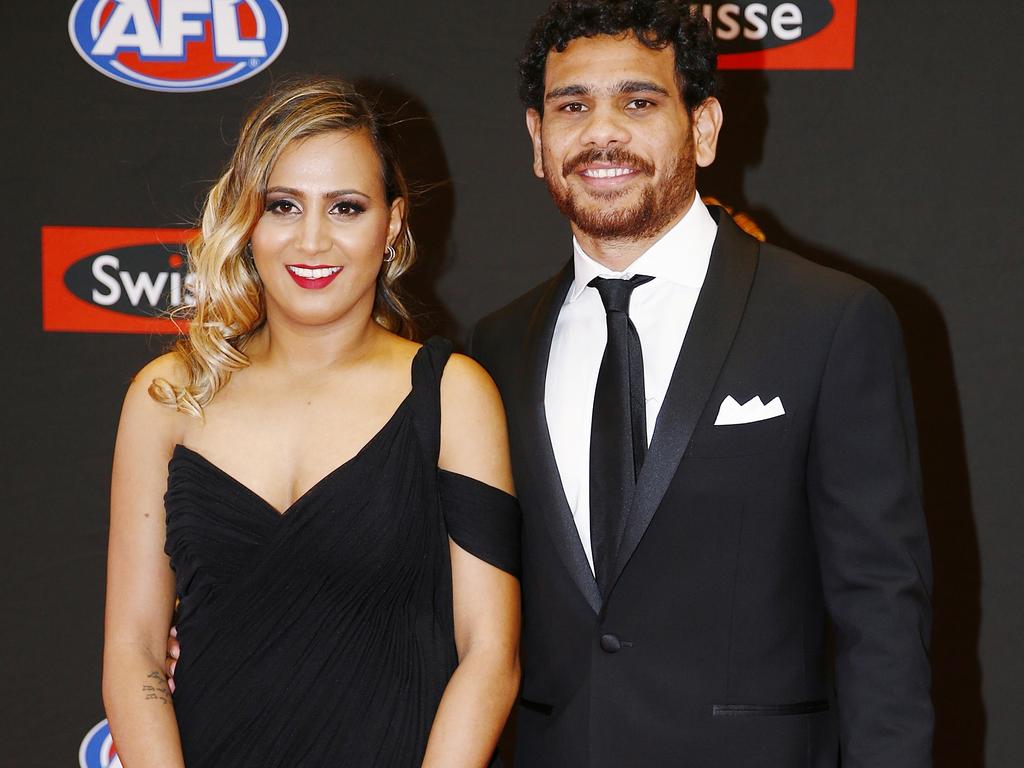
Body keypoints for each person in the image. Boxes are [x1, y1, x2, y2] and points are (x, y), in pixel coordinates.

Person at [466, 1, 934, 766]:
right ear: (537, 141)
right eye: (572, 106)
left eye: (639, 102)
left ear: (705, 128)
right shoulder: (493, 349)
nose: (602, 132)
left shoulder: (829, 321)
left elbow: (881, 608)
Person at [102, 77, 520, 768]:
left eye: (347, 207)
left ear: (391, 224)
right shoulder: (167, 397)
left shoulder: (451, 395)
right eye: (284, 206)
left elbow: (490, 655)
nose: (313, 240)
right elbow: (135, 652)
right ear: (247, 221)